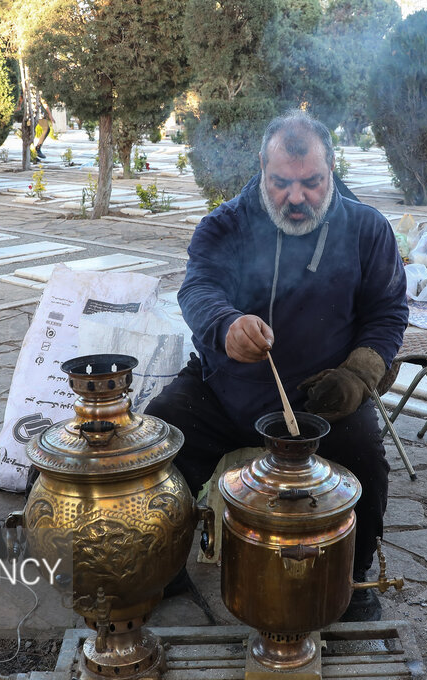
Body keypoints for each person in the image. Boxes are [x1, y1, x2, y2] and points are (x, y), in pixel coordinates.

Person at [147, 110, 408, 622]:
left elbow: (388, 311)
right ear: (262, 171)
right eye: (281, 183)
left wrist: (356, 375)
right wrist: (225, 325)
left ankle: (352, 579)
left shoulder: (367, 229)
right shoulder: (226, 224)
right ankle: (163, 564)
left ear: (332, 168)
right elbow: (197, 287)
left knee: (366, 461)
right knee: (161, 442)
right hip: (227, 386)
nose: (295, 198)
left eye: (311, 183)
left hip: (321, 399)